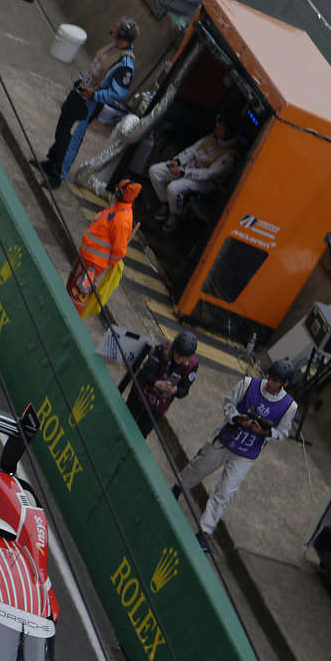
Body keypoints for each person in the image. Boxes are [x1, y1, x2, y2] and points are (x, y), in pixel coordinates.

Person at [174, 362, 298, 551]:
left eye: (275, 381)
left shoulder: (289, 406)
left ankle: (204, 532)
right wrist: (238, 418)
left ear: (285, 384)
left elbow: (282, 433)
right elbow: (228, 402)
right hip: (225, 439)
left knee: (225, 493)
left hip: (247, 453)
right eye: (270, 377)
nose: (270, 382)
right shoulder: (249, 383)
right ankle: (175, 490)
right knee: (198, 467)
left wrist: (265, 432)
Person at [39, 20, 137, 190]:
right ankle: (51, 161)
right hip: (81, 90)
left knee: (73, 136)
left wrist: (95, 94)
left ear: (122, 35)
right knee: (63, 127)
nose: (113, 30)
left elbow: (119, 92)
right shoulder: (113, 47)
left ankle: (58, 174)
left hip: (90, 102)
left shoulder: (126, 63)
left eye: (117, 28)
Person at [147, 116, 238, 226]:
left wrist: (183, 173)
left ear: (228, 131)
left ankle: (175, 215)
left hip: (206, 182)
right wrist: (178, 161)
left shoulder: (229, 155)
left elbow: (208, 174)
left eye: (221, 125)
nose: (217, 126)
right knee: (155, 171)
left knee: (174, 187)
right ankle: (166, 203)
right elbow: (192, 151)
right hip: (189, 168)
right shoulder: (211, 138)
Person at [67, 183, 139, 322]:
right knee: (72, 286)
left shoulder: (122, 220)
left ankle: (70, 321)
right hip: (86, 257)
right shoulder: (117, 209)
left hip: (93, 264)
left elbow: (119, 250)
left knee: (79, 293)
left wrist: (105, 262)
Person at [121, 330, 200, 440]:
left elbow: (184, 390)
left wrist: (175, 390)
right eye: (178, 353)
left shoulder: (192, 366)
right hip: (140, 394)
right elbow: (145, 373)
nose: (179, 359)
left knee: (139, 435)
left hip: (157, 406)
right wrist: (157, 383)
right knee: (123, 421)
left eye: (184, 357)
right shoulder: (161, 350)